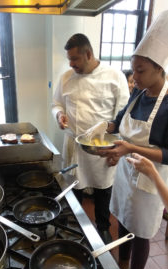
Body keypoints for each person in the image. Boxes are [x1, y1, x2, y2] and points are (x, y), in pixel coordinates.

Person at [85, 10, 168, 269]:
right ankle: (122, 265)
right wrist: (97, 129)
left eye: (141, 70)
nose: (134, 77)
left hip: (150, 179)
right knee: (123, 219)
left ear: (160, 68)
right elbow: (119, 123)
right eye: (133, 70)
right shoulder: (138, 94)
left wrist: (129, 148)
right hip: (125, 172)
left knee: (142, 231)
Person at [52, 33, 129, 244]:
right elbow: (56, 104)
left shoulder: (115, 76)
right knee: (73, 186)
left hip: (101, 146)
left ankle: (103, 227)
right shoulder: (66, 77)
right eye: (69, 60)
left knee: (103, 188)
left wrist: (118, 150)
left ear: (88, 54)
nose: (71, 64)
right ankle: (75, 226)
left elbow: (123, 115)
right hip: (73, 143)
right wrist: (59, 115)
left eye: (75, 59)